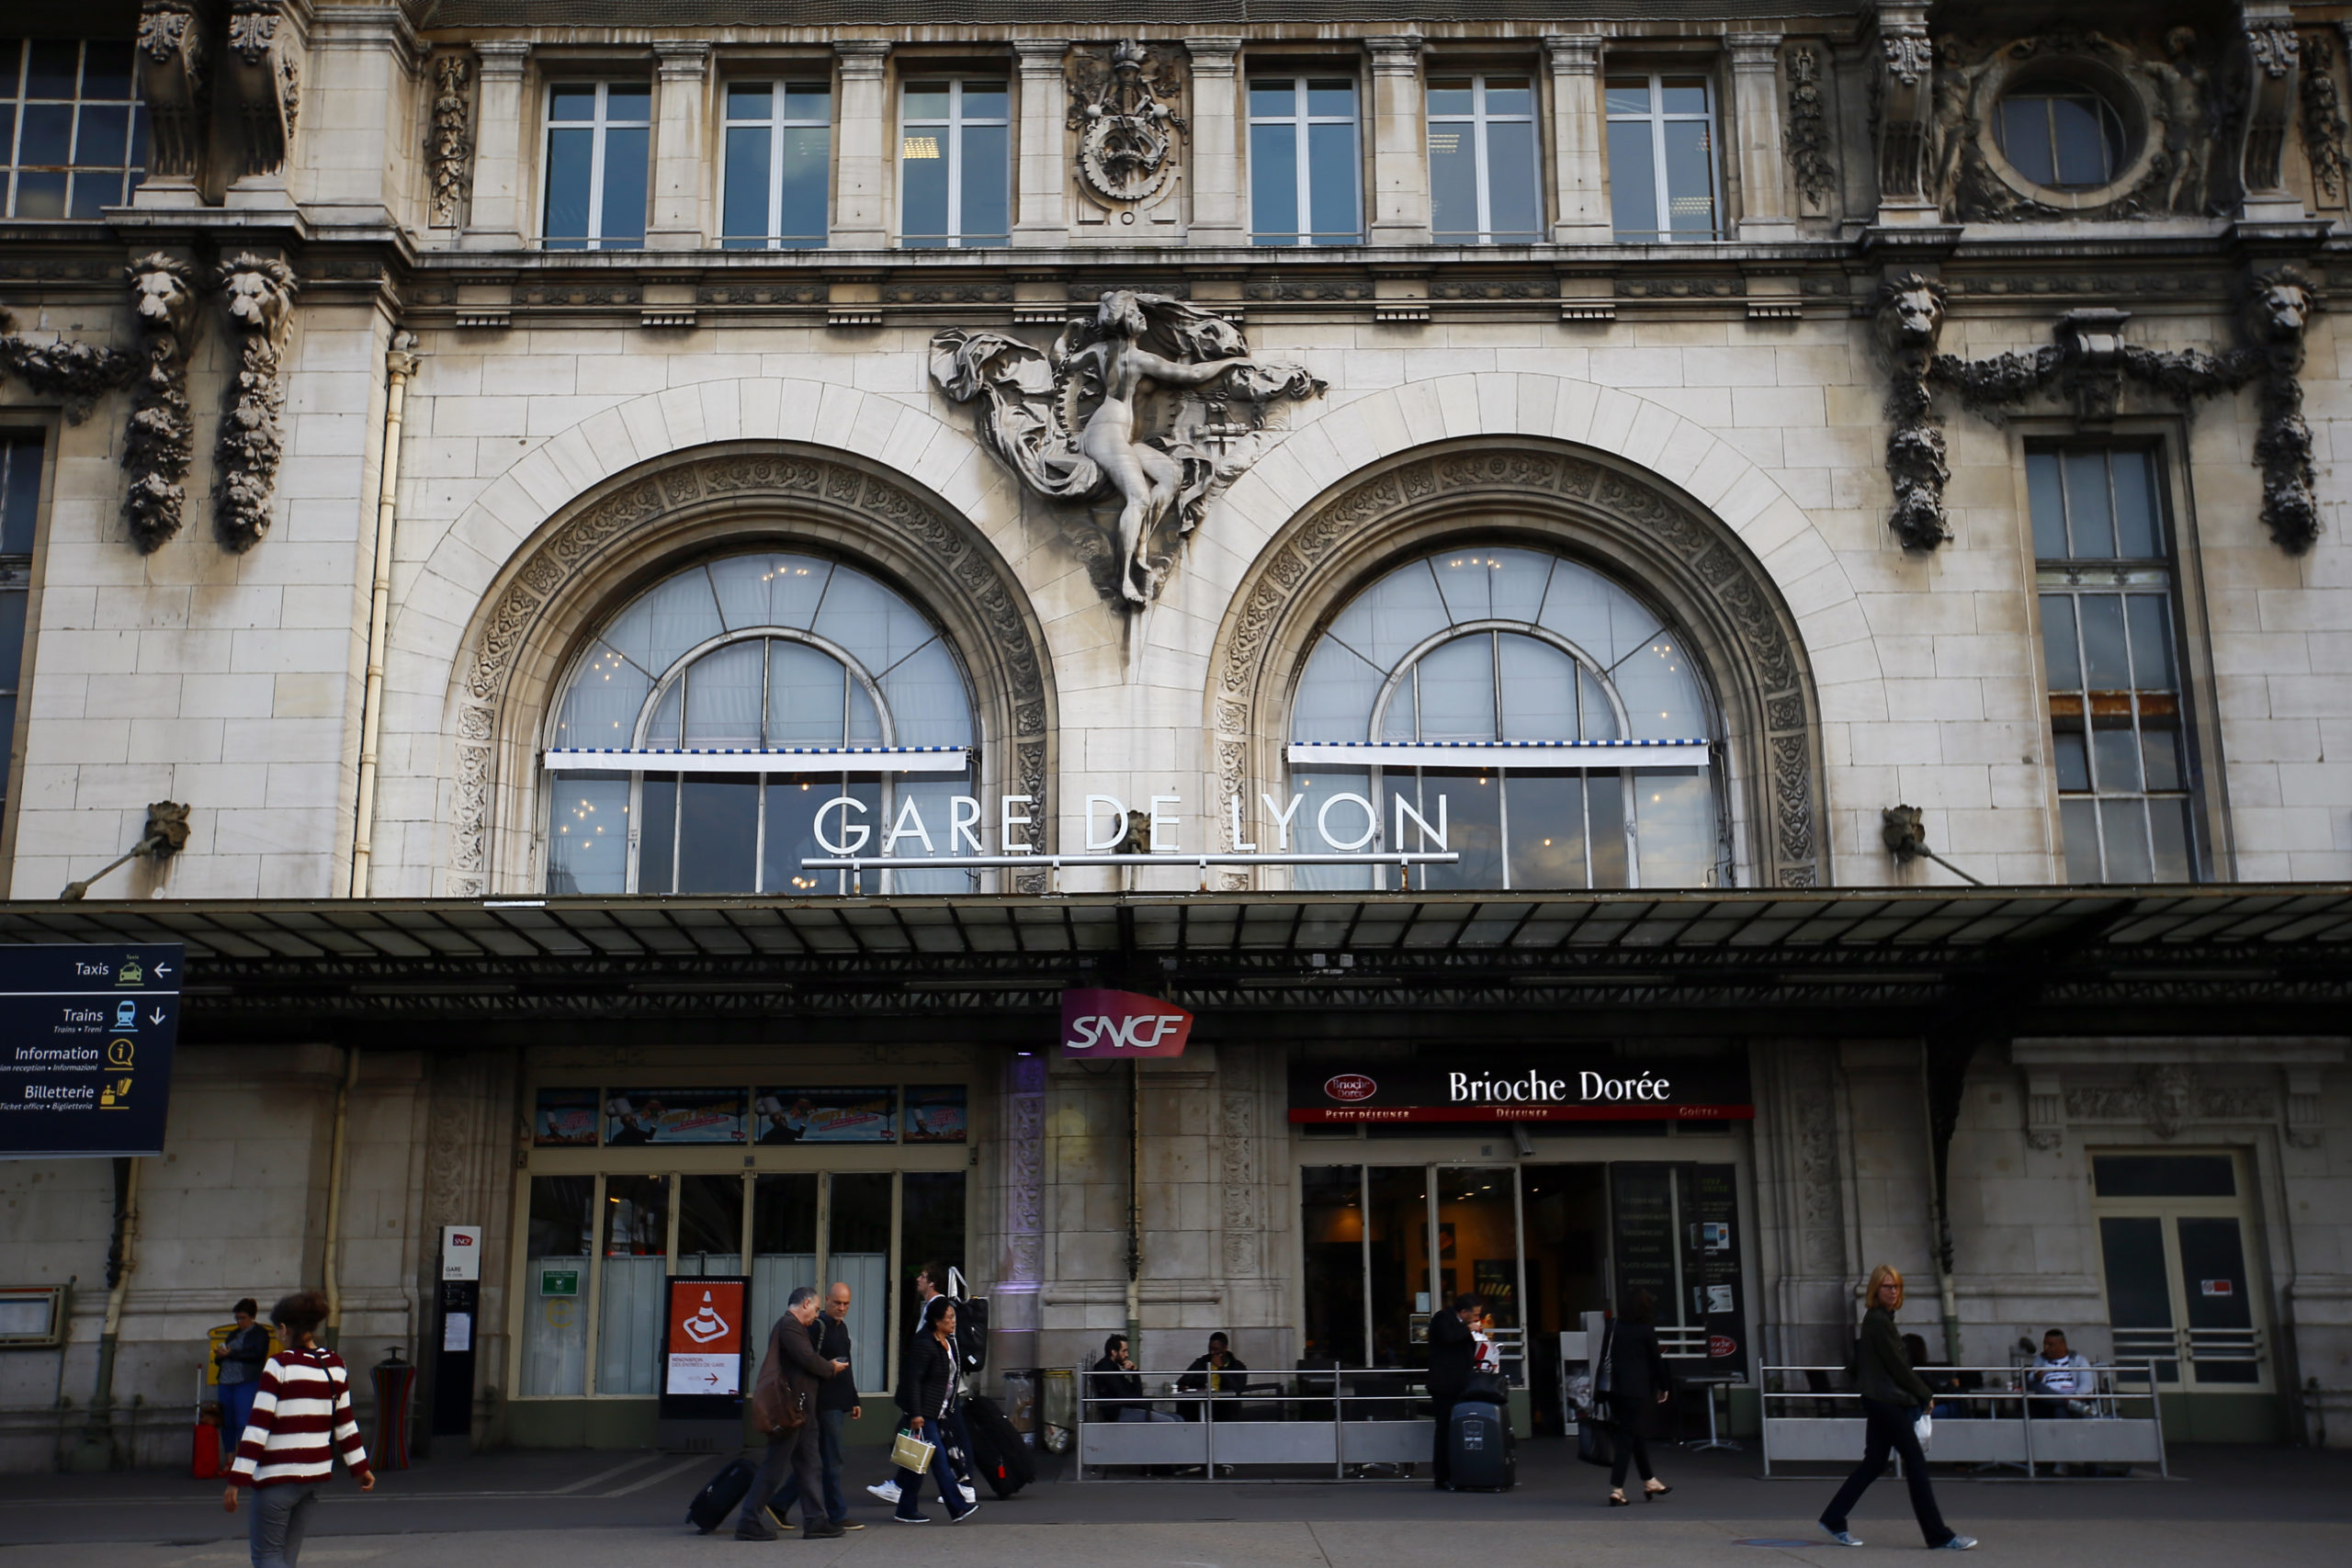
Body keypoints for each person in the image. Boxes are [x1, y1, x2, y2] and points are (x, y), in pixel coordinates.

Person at [1818, 1265, 1976, 1551]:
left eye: (1897, 1287)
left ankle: (1833, 1517)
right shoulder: (1878, 1320)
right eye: (1887, 1287)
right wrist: (1924, 1393)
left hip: (1879, 1398)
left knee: (1875, 1463)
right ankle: (1938, 1535)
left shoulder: (1882, 1319)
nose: (1893, 1292)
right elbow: (1897, 1366)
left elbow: (1892, 1366)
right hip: (1884, 1400)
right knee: (1915, 1461)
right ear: (1875, 1290)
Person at [220, 1291, 374, 1568]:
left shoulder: (279, 1365)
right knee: (285, 1559)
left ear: (283, 1329)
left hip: (277, 1478)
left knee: (267, 1557)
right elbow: (345, 1424)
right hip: (313, 1477)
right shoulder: (335, 1365)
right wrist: (360, 1468)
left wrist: (236, 1479)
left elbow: (258, 1425)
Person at [738, 1286, 847, 1541]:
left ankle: (815, 1521)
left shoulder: (794, 1327)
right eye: (817, 1309)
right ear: (806, 1303)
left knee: (811, 1464)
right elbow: (807, 1358)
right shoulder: (789, 1326)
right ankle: (748, 1520)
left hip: (801, 1410)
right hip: (790, 1410)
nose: (817, 1315)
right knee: (774, 1466)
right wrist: (830, 1368)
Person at [869, 1260, 975, 1509]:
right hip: (935, 1395)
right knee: (923, 1442)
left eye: (923, 1276)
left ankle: (960, 1490)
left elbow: (924, 1365)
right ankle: (908, 1496)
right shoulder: (932, 1311)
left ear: (932, 1282)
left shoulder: (937, 1310)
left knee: (933, 1443)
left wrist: (917, 1408)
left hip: (936, 1396)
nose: (918, 1279)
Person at [777, 1282, 865, 1533]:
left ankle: (779, 1502)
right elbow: (807, 1360)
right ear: (826, 1300)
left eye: (846, 1303)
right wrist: (828, 1369)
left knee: (820, 1460)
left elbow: (846, 1367)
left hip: (837, 1401)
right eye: (837, 1302)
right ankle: (837, 1514)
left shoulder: (841, 1328)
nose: (842, 1308)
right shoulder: (816, 1326)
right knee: (831, 1459)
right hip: (822, 1402)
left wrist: (854, 1399)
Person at [895, 1295, 978, 1524]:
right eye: (949, 1317)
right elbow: (913, 1380)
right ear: (936, 1320)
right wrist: (916, 1413)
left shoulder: (948, 1342)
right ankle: (957, 1506)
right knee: (939, 1458)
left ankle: (905, 1508)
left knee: (918, 1462)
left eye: (954, 1317)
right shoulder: (924, 1344)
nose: (953, 1321)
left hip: (940, 1410)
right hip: (924, 1413)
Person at [1603, 1288, 1674, 1506]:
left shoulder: (1613, 1326)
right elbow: (1656, 1360)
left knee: (1633, 1434)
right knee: (1626, 1438)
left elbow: (1604, 1356)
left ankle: (1649, 1480)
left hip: (1613, 1389)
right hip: (1636, 1390)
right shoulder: (1645, 1329)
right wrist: (1664, 1386)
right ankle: (1617, 1489)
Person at [1424, 1294, 1478, 1489]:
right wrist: (1468, 1329)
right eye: (1474, 1315)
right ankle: (1442, 1475)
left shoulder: (1460, 1326)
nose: (1475, 1319)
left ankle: (1457, 1471)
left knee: (1456, 1430)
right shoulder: (1442, 1320)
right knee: (1445, 1430)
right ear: (1463, 1312)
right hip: (1444, 1386)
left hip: (1460, 1383)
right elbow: (1449, 1338)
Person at [214, 1299, 270, 1461]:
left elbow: (257, 1355)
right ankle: (229, 1459)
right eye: (237, 1318)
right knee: (227, 1421)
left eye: (243, 1318)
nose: (240, 1322)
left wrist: (231, 1354)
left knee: (242, 1420)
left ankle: (245, 1460)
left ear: (252, 1317)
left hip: (245, 1380)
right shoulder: (234, 1334)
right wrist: (220, 1356)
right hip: (226, 1380)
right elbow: (221, 1358)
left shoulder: (259, 1334)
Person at [1092, 1334, 1180, 1422]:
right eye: (1124, 1351)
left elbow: (1136, 1392)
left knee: (1178, 1418)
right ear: (1114, 1352)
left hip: (1125, 1408)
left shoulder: (1114, 1367)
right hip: (1118, 1413)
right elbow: (1123, 1395)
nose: (1127, 1354)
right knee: (1170, 1421)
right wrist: (1144, 1403)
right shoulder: (1105, 1368)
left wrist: (1135, 1371)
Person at [1176, 1331, 1250, 1420]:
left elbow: (1236, 1389)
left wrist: (1221, 1368)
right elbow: (1183, 1381)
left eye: (1216, 1349)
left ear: (1225, 1348)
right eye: (1210, 1349)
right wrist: (1186, 1387)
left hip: (1226, 1407)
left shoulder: (1237, 1366)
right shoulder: (1201, 1363)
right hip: (1203, 1405)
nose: (1212, 1352)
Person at [2029, 1329, 2092, 1418]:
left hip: (2073, 1396)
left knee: (2060, 1409)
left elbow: (2087, 1385)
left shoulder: (2079, 1360)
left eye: (2050, 1345)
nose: (2046, 1348)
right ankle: (2068, 1403)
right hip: (2048, 1400)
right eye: (2045, 1344)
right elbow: (2031, 1378)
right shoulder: (2040, 1360)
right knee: (2036, 1385)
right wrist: (2037, 1376)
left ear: (2063, 1345)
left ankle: (2067, 1403)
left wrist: (2075, 1397)